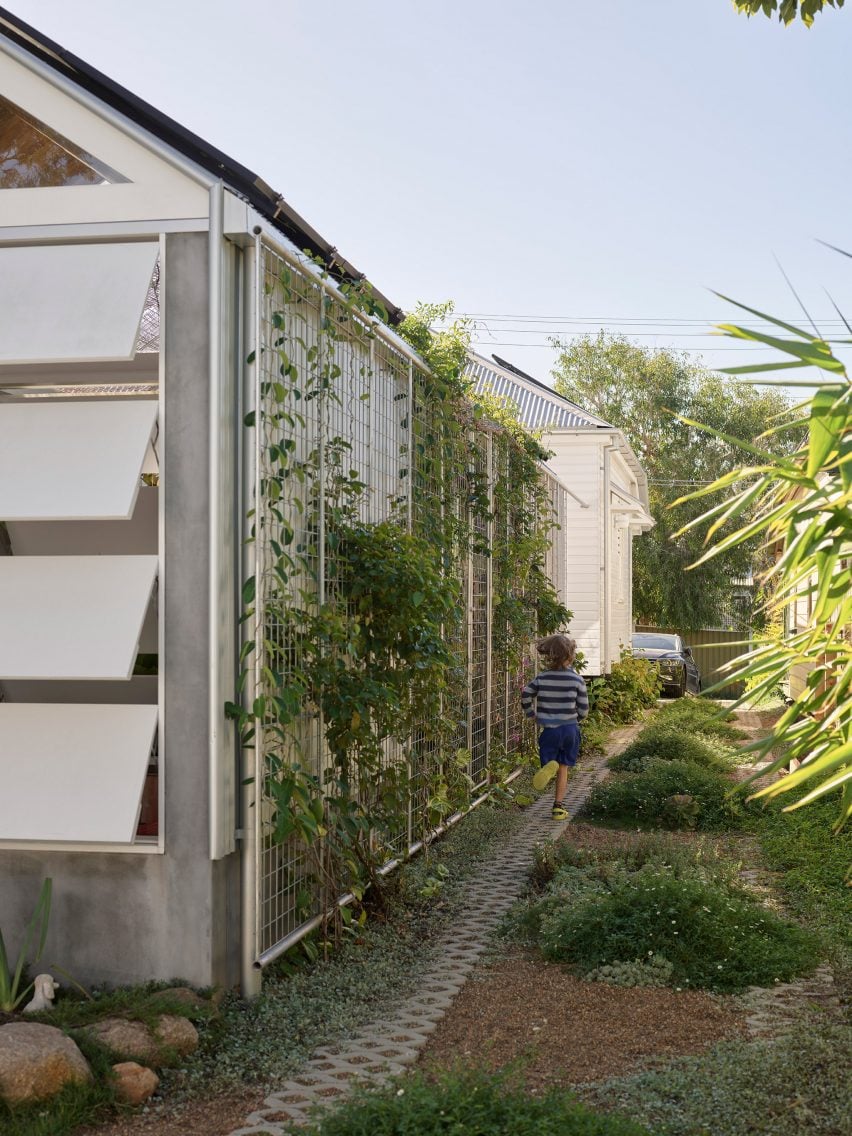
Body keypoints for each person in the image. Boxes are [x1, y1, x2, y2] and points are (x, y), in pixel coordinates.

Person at [521, 633, 589, 820]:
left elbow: (526, 694)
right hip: (570, 730)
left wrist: (531, 714)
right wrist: (578, 718)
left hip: (549, 730)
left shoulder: (542, 678)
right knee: (564, 767)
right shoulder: (577, 680)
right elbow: (583, 708)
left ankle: (547, 765)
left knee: (550, 762)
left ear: (549, 656)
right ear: (570, 655)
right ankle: (558, 807)